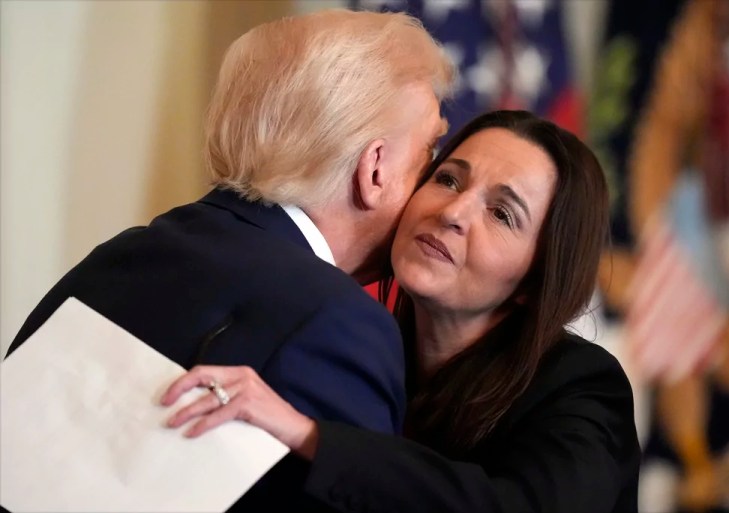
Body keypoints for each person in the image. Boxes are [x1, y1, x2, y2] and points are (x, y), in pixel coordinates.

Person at [6, 9, 453, 512]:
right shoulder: (340, 323)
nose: (438, 186)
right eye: (430, 150)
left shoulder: (125, 251)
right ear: (375, 170)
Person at [162, 110, 642, 513]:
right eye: (448, 179)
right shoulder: (360, 346)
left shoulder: (582, 386)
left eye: (501, 214)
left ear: (535, 282)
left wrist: (310, 437)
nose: (453, 213)